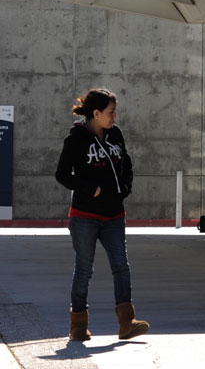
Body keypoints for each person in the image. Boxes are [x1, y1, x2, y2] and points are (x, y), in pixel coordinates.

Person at [53, 88, 150, 342]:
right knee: (84, 269)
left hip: (114, 215)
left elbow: (126, 162)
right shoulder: (75, 139)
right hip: (85, 216)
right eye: (110, 112)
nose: (114, 117)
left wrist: (125, 187)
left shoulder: (115, 135)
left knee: (121, 266)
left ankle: (126, 322)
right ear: (95, 113)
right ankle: (78, 326)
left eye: (114, 111)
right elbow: (62, 175)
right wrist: (90, 189)